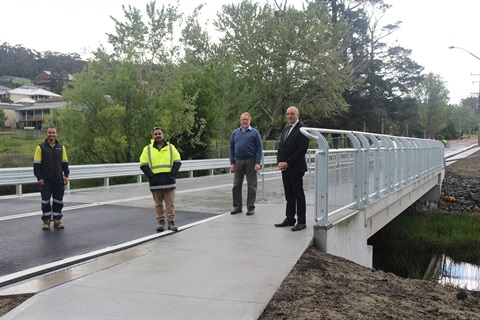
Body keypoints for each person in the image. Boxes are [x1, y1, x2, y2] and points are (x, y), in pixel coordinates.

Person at [274, 106, 310, 231]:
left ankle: (301, 221)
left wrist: (288, 163)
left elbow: (302, 150)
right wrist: (279, 161)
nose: (290, 116)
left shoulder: (303, 129)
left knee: (298, 194)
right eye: (288, 114)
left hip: (296, 167)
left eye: (292, 114)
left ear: (298, 114)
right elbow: (281, 146)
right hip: (285, 168)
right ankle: (290, 218)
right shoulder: (286, 128)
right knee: (289, 194)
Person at [140, 126, 182, 232]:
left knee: (170, 203)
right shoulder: (147, 149)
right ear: (153, 136)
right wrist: (152, 177)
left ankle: (171, 222)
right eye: (156, 134)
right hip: (155, 182)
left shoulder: (171, 148)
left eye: (159, 134)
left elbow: (177, 161)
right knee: (158, 204)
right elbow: (143, 164)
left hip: (169, 181)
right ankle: (160, 221)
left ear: (163, 135)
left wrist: (172, 175)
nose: (158, 135)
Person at [33, 126, 69, 230]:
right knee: (45, 201)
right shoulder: (40, 147)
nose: (51, 135)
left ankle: (57, 220)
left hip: (58, 179)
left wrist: (66, 175)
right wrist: (39, 177)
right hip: (46, 180)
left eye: (53, 133)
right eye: (50, 133)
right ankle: (46, 221)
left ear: (56, 134)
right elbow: (36, 165)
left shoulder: (61, 147)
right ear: (46, 134)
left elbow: (65, 163)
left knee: (58, 201)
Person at [229, 112, 263, 216]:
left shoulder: (255, 133)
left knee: (252, 185)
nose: (244, 121)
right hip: (238, 161)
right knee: (236, 185)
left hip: (251, 161)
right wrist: (232, 162)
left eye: (246, 120)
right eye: (243, 119)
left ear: (250, 121)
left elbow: (259, 148)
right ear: (240, 121)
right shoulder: (235, 133)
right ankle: (237, 207)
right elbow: (231, 147)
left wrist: (258, 162)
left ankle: (250, 207)